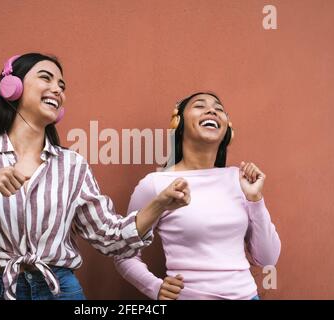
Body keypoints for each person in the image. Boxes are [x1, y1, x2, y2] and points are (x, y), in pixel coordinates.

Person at [0, 53, 190, 300]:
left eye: (62, 86)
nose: (57, 89)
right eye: (46, 78)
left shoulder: (72, 164)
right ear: (11, 87)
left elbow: (110, 238)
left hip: (61, 289)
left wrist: (159, 204)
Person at [114, 92, 281, 300]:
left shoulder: (240, 180)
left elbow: (267, 259)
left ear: (227, 129)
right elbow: (123, 253)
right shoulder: (155, 184)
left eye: (218, 109)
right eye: (199, 106)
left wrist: (255, 200)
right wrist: (154, 286)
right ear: (179, 123)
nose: (212, 110)